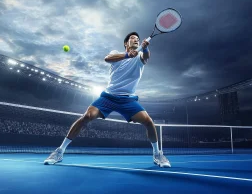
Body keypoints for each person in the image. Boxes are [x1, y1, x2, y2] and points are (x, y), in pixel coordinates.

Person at [44, 32, 171, 168]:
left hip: (128, 100)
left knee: (148, 121)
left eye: (138, 40)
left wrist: (145, 48)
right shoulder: (116, 54)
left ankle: (157, 154)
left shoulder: (140, 56)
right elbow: (107, 58)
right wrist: (128, 55)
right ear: (125, 43)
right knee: (87, 116)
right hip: (108, 97)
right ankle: (59, 151)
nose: (136, 40)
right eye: (132, 38)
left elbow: (146, 58)